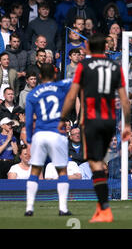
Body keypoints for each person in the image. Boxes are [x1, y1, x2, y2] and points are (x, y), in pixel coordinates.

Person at [57, 33, 132, 223]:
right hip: (109, 121)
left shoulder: (83, 66)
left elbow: (72, 95)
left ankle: (104, 208)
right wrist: (128, 124)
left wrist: (63, 117)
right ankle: (101, 208)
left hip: (91, 119)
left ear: (89, 48)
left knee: (95, 163)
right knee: (98, 161)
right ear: (105, 48)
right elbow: (124, 98)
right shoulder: (115, 66)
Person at [24, 63, 72, 217]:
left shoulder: (32, 94)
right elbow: (75, 80)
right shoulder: (61, 87)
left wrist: (30, 140)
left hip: (40, 134)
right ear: (55, 75)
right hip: (57, 134)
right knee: (62, 171)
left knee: (35, 170)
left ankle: (29, 208)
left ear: (39, 76)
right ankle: (63, 208)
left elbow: (29, 120)